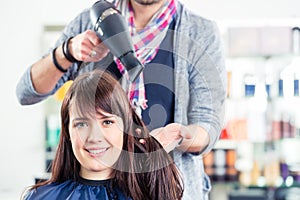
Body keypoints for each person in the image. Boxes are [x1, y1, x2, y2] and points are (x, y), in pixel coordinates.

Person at [16, 0, 226, 199]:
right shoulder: (89, 22)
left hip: (164, 190)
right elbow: (26, 92)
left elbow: (208, 122)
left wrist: (180, 135)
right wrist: (67, 52)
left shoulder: (200, 32)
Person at [22, 69, 183, 200]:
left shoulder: (152, 195)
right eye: (82, 124)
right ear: (67, 131)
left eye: (107, 122)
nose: (94, 137)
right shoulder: (40, 197)